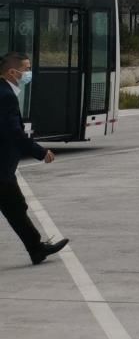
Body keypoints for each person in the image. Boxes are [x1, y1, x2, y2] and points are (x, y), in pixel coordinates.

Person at [1, 52, 68, 265]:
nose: (29, 73)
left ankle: (37, 249)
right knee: (16, 207)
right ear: (12, 72)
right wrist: (41, 152)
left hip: (3, 168)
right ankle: (36, 248)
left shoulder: (5, 92)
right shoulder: (6, 96)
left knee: (16, 207)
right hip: (1, 168)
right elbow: (14, 133)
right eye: (26, 69)